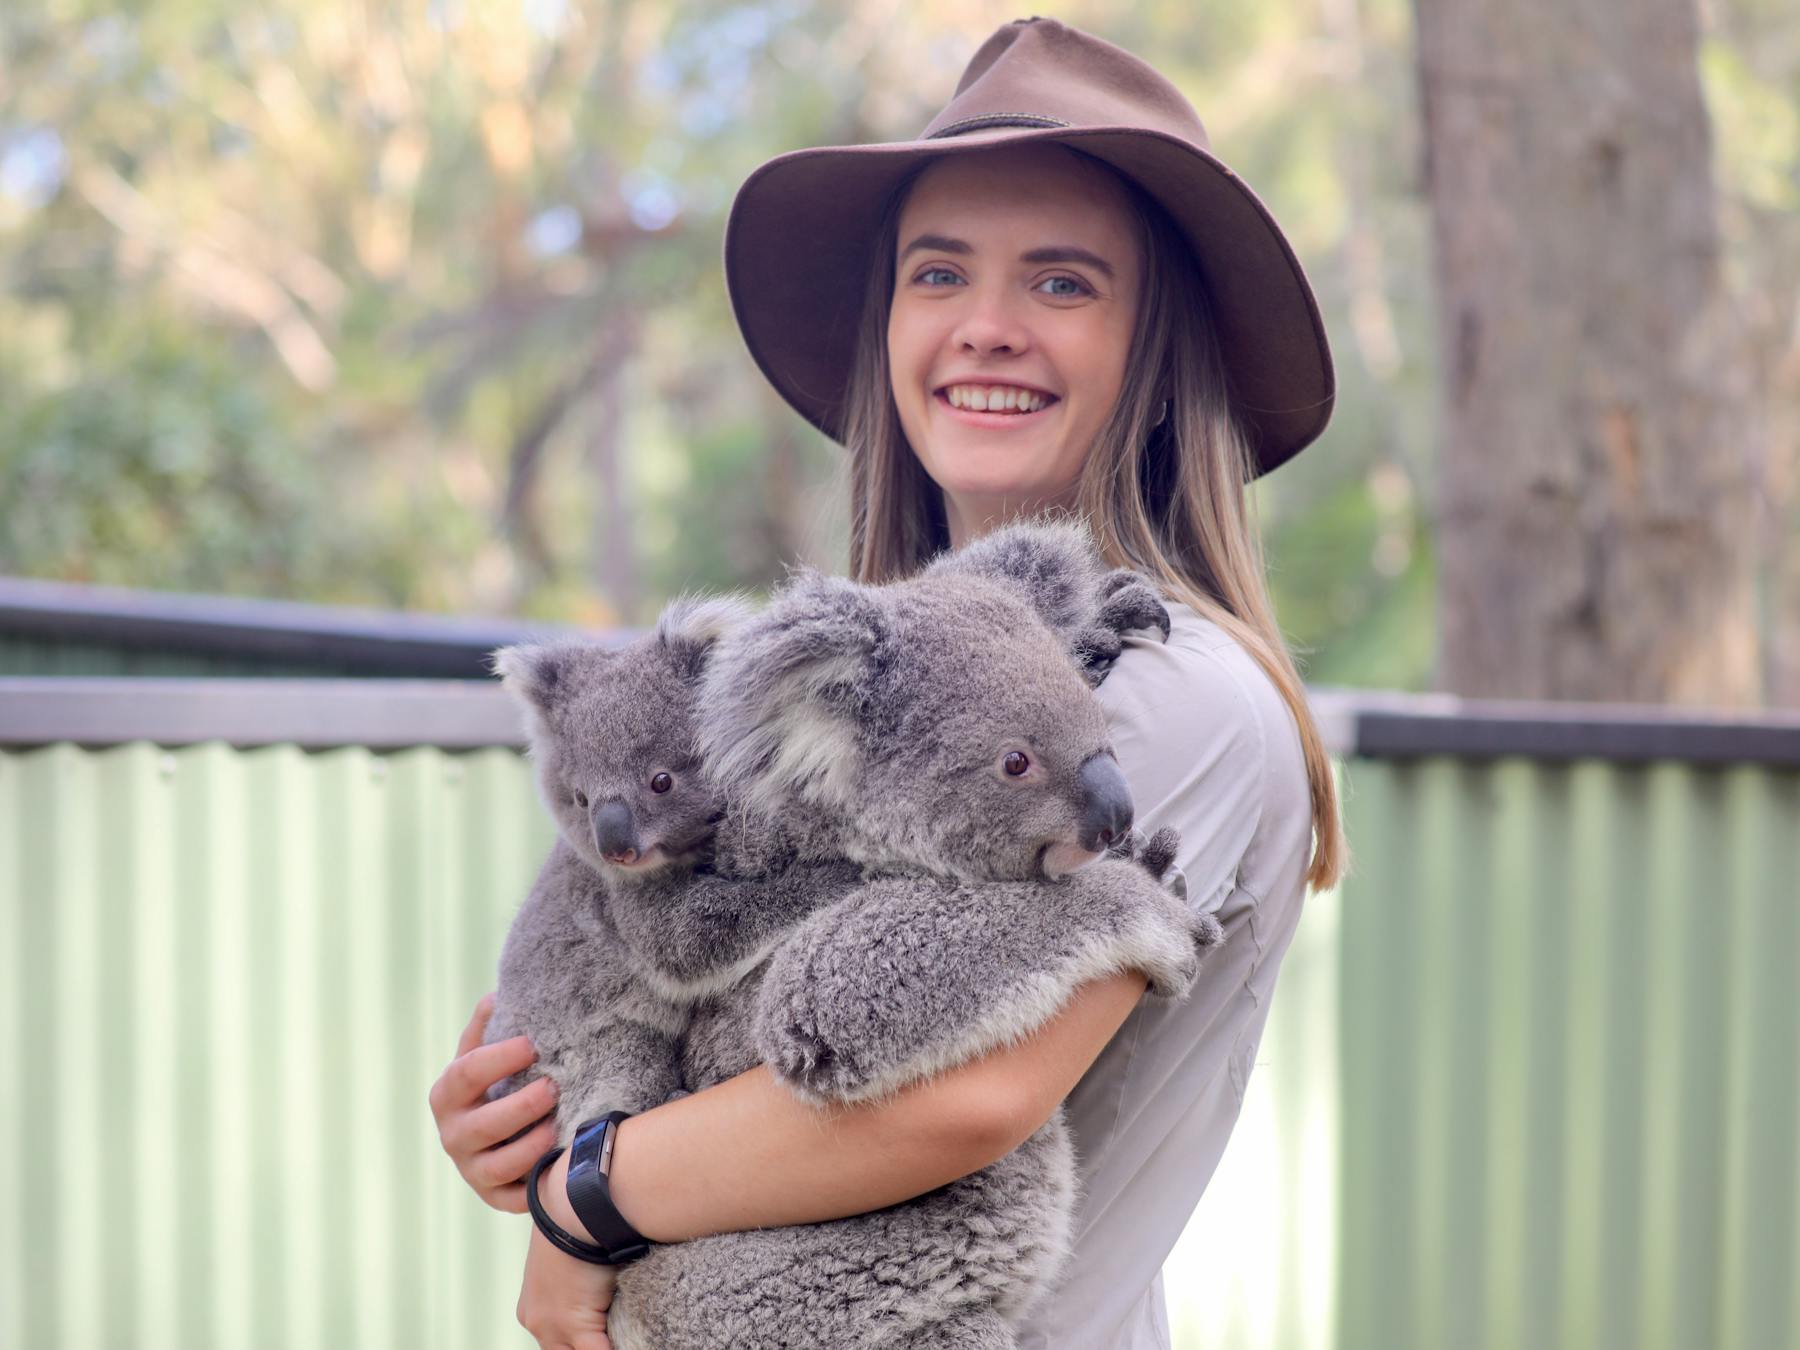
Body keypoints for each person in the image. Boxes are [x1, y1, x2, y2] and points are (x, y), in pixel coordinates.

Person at [428, 16, 1345, 1349]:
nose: (986, 327)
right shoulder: (862, 697)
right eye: (938, 274)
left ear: (1161, 363)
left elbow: (952, 1097)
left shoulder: (1162, 689)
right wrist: (542, 1106)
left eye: (1063, 283)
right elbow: (702, 987)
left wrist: (589, 1196)